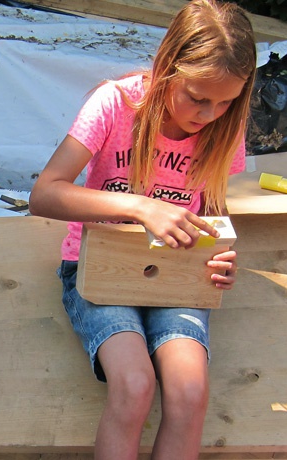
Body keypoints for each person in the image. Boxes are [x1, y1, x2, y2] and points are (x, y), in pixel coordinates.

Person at [28, 1, 256, 458]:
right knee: (134, 384)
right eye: (198, 97)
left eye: (225, 101)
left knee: (189, 391)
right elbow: (44, 194)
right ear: (168, 65)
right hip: (100, 267)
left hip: (178, 273)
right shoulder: (115, 103)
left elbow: (213, 206)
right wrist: (141, 207)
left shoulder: (225, 127)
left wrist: (220, 252)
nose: (210, 113)